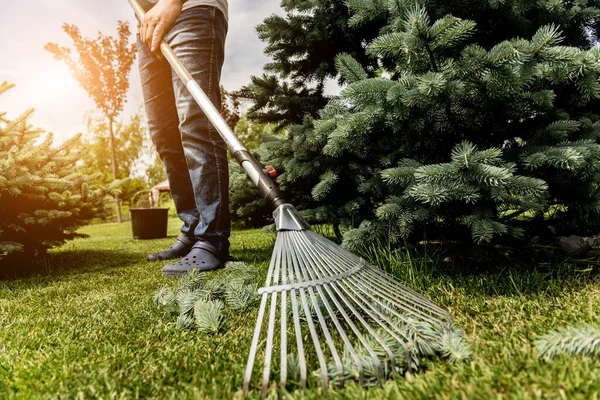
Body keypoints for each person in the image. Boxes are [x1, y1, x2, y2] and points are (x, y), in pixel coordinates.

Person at [137, 0, 230, 276]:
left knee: (196, 124)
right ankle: (192, 231)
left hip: (191, 8)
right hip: (147, 22)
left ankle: (212, 238)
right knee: (163, 134)